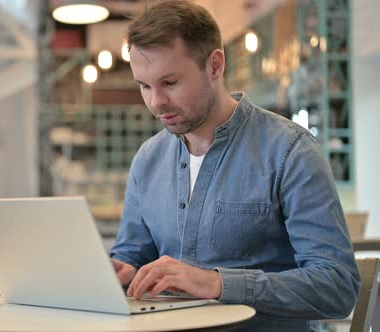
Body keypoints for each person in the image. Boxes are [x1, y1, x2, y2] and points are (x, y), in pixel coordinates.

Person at [109, 1, 360, 331]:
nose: (156, 102)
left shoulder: (290, 151)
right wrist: (120, 273)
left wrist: (217, 283)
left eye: (170, 83)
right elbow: (132, 256)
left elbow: (338, 287)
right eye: (144, 86)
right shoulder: (147, 159)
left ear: (214, 65)